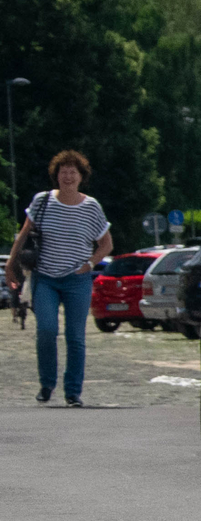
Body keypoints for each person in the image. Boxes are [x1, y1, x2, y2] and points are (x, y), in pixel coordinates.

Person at [7, 150, 113, 406]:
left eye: (72, 172)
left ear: (81, 176)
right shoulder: (43, 201)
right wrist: (11, 263)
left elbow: (106, 245)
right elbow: (23, 235)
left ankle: (73, 391)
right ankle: (46, 384)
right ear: (56, 175)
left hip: (77, 280)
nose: (67, 176)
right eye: (63, 171)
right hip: (45, 277)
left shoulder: (91, 207)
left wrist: (88, 265)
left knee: (75, 337)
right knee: (46, 330)